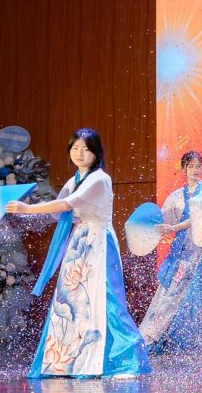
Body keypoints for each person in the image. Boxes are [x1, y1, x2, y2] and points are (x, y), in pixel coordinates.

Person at [9, 128, 151, 378]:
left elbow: (66, 204)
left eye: (86, 149)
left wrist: (28, 209)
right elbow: (59, 212)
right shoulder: (74, 180)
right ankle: (70, 361)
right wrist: (27, 209)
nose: (80, 153)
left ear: (96, 153)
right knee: (72, 300)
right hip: (79, 243)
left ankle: (124, 360)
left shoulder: (99, 179)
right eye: (75, 148)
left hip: (99, 242)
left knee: (105, 298)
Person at [138, 150, 202, 353]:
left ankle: (192, 341)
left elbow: (198, 218)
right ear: (183, 169)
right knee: (170, 294)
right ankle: (154, 336)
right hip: (181, 254)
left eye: (198, 166)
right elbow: (163, 220)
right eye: (190, 166)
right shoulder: (175, 197)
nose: (195, 170)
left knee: (197, 296)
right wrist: (148, 226)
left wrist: (174, 227)